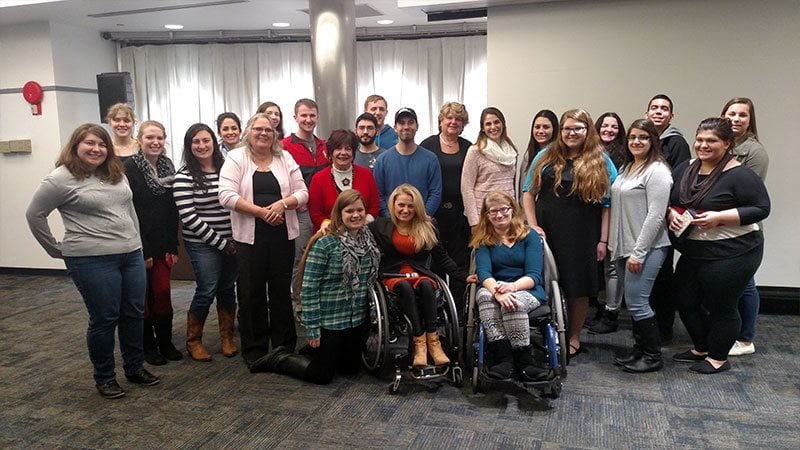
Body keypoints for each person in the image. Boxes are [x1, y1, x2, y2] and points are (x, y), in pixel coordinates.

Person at [26, 123, 160, 399]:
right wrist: (54, 249)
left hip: (130, 254)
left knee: (134, 313)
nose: (96, 149)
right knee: (104, 318)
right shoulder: (60, 178)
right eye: (90, 143)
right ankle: (105, 377)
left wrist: (137, 243)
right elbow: (34, 215)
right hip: (91, 259)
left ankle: (134, 368)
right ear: (75, 146)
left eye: (101, 145)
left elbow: (129, 208)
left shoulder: (115, 173)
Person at [668, 117, 770, 374]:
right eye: (700, 140)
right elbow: (672, 200)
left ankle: (717, 357)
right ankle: (701, 347)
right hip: (694, 249)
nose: (703, 145)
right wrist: (672, 214)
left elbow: (761, 209)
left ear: (727, 143)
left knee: (722, 305)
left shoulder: (740, 175)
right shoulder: (685, 168)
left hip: (734, 252)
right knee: (686, 300)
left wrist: (719, 218)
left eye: (711, 141)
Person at [247, 190, 380, 383]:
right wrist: (313, 329)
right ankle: (280, 358)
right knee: (322, 375)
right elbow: (308, 288)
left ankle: (316, 350)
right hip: (329, 320)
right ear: (339, 214)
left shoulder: (369, 242)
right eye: (350, 211)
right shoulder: (325, 243)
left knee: (350, 370)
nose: (356, 215)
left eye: (360, 210)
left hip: (355, 320)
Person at [522, 109, 617, 357]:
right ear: (560, 131)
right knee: (544, 282)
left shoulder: (601, 160)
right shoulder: (545, 156)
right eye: (567, 128)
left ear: (587, 131)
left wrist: (603, 240)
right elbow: (528, 192)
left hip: (583, 234)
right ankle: (546, 332)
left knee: (579, 287)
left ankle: (573, 336)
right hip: (546, 230)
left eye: (577, 128)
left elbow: (608, 204)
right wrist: (532, 226)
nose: (571, 133)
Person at [219, 113, 308, 368]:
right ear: (249, 132)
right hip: (250, 237)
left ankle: (284, 345)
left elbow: (302, 192)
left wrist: (282, 204)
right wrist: (261, 212)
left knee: (281, 292)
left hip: (282, 235)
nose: (263, 134)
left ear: (275, 134)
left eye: (268, 130)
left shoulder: (284, 157)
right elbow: (225, 195)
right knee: (251, 292)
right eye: (258, 129)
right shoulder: (237, 158)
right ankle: (255, 349)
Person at [369, 184, 471, 368]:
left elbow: (442, 257)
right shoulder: (380, 226)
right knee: (405, 287)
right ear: (393, 205)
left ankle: (434, 342)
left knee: (426, 285)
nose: (405, 210)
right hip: (394, 274)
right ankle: (419, 343)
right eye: (401, 205)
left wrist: (463, 276)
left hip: (420, 273)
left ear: (417, 207)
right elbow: (356, 231)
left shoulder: (427, 226)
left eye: (410, 206)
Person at [608, 119, 672, 373]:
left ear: (652, 141)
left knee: (637, 302)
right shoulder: (628, 168)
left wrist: (639, 252)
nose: (636, 141)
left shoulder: (657, 171)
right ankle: (639, 351)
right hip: (625, 247)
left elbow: (656, 216)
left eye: (643, 137)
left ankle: (653, 356)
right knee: (634, 302)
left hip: (647, 248)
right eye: (633, 137)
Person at [173, 123, 238, 362]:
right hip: (203, 243)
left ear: (214, 142)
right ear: (189, 146)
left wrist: (232, 241)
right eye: (196, 142)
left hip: (233, 242)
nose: (202, 146)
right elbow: (188, 217)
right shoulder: (184, 176)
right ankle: (194, 341)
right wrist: (221, 243)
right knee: (206, 290)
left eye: (206, 140)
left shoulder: (227, 169)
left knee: (227, 289)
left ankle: (227, 338)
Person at [471, 191, 549, 381]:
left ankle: (524, 360)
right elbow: (483, 273)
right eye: (493, 211)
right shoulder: (483, 240)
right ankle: (503, 358)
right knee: (483, 296)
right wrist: (498, 292)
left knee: (514, 303)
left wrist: (511, 288)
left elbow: (534, 276)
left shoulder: (529, 236)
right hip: (494, 287)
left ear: (512, 210)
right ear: (486, 215)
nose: (499, 215)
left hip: (526, 288)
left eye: (503, 209)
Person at [124, 120, 182, 366]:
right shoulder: (130, 168)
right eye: (150, 137)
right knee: (143, 297)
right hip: (140, 245)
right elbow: (131, 212)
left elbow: (173, 211)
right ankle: (148, 346)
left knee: (163, 293)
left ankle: (166, 342)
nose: (155, 142)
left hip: (164, 243)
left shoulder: (169, 167)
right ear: (139, 140)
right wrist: (145, 250)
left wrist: (173, 246)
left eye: (159, 138)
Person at [721, 97, 769, 356]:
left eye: (742, 115)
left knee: (746, 283)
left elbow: (749, 194)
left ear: (750, 120)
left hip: (744, 230)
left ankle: (746, 338)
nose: (736, 119)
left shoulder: (754, 152)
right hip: (720, 229)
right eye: (731, 113)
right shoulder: (723, 145)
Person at [644, 94, 692, 343]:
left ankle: (664, 328)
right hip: (644, 216)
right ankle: (648, 325)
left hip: (664, 215)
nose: (659, 112)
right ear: (646, 113)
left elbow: (680, 182)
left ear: (671, 116)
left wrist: (668, 209)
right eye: (654, 108)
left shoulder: (676, 143)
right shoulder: (643, 139)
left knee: (661, 273)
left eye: (664, 109)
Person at [419, 102, 472, 309]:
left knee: (460, 262)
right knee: (436, 260)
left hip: (461, 214)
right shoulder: (428, 145)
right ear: (441, 121)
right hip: (434, 213)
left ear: (463, 123)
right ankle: (438, 309)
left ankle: (458, 308)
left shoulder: (469, 147)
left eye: (458, 119)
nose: (453, 122)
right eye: (449, 118)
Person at [282, 98, 329, 318]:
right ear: (295, 118)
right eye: (304, 116)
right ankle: (301, 305)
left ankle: (321, 303)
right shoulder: (284, 146)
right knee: (300, 260)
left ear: (317, 118)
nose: (308, 120)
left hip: (323, 213)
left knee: (323, 258)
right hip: (299, 213)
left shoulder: (324, 146)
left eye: (312, 116)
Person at [587, 112, 627, 334]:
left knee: (611, 265)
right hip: (593, 216)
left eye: (614, 127)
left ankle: (612, 313)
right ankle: (601, 310)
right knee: (598, 262)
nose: (609, 130)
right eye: (604, 126)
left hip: (614, 214)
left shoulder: (624, 155)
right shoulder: (589, 152)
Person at [373, 107, 442, 217]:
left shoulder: (430, 159)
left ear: (417, 126)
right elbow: (378, 194)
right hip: (392, 225)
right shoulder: (382, 160)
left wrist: (423, 216)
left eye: (410, 123)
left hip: (422, 224)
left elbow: (435, 193)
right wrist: (391, 218)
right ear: (395, 127)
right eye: (401, 123)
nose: (406, 127)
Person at [308, 129, 380, 233]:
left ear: (354, 152)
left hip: (361, 233)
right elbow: (315, 214)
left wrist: (363, 223)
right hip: (330, 235)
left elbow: (374, 207)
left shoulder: (366, 175)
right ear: (331, 152)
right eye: (338, 148)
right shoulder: (318, 179)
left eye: (348, 148)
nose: (343, 153)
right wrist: (328, 225)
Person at [461, 107, 518, 231]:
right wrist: (474, 222)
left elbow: (513, 185)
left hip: (507, 215)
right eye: (488, 124)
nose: (493, 127)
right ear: (482, 128)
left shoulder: (511, 151)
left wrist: (516, 214)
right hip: (484, 216)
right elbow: (466, 188)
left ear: (503, 124)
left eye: (496, 122)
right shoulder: (475, 151)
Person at [520, 109, 558, 198]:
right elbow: (523, 187)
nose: (541, 131)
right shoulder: (528, 155)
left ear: (554, 130)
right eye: (537, 127)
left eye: (546, 127)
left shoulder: (558, 155)